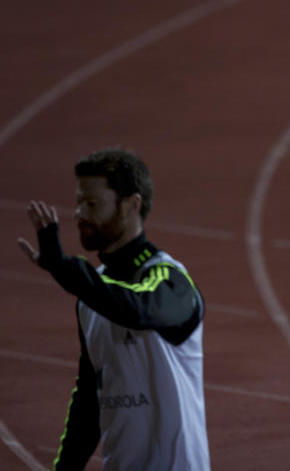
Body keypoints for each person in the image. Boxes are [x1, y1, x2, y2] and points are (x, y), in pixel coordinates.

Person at [17, 148, 210, 471]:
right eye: (79, 203)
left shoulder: (171, 280)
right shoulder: (91, 299)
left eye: (92, 204)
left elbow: (138, 309)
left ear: (132, 206)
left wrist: (67, 271)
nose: (79, 214)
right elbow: (89, 403)